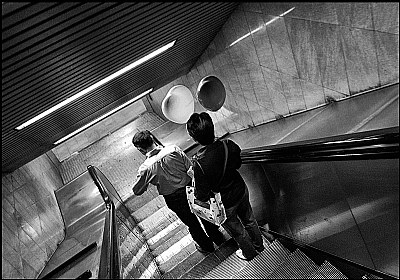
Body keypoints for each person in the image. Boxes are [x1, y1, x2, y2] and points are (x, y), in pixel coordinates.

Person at [186, 112, 267, 261]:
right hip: (240, 190)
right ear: (212, 128)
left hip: (224, 204)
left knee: (238, 231)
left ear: (194, 138)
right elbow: (237, 163)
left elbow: (201, 195)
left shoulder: (198, 163)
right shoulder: (228, 145)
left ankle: (249, 254)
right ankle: (259, 246)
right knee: (249, 219)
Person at [131, 130, 225, 254]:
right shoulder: (173, 149)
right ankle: (218, 238)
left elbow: (137, 190)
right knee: (204, 214)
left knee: (192, 224)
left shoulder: (145, 168)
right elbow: (190, 168)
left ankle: (207, 247)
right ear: (152, 139)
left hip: (173, 199)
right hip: (190, 189)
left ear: (140, 149)